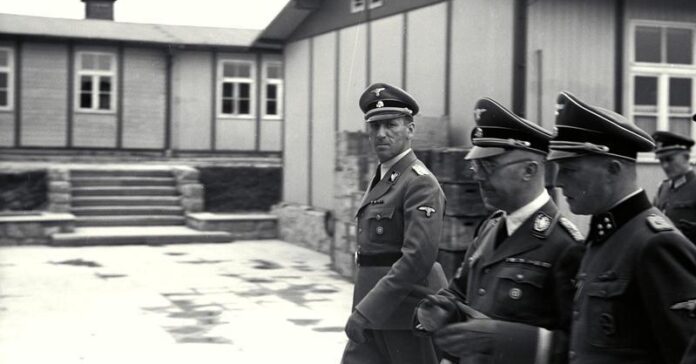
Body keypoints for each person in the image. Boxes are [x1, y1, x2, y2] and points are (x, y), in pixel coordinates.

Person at [415, 97, 585, 364]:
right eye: (477, 165)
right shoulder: (491, 228)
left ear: (529, 170)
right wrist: (441, 309)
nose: (478, 176)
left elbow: (579, 347)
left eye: (489, 166)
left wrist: (506, 338)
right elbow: (461, 292)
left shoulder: (565, 245)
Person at [549, 91, 696, 363]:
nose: (558, 181)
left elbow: (684, 350)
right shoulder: (605, 236)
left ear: (613, 169)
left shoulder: (656, 244)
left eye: (569, 169)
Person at [340, 82, 448, 364]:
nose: (381, 134)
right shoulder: (384, 178)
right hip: (373, 312)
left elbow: (417, 260)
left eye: (391, 125)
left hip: (406, 315)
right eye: (374, 127)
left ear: (410, 129)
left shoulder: (419, 182)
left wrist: (367, 312)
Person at [652, 130, 696, 243]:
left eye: (669, 159)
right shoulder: (663, 187)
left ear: (686, 157)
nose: (665, 166)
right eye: (661, 161)